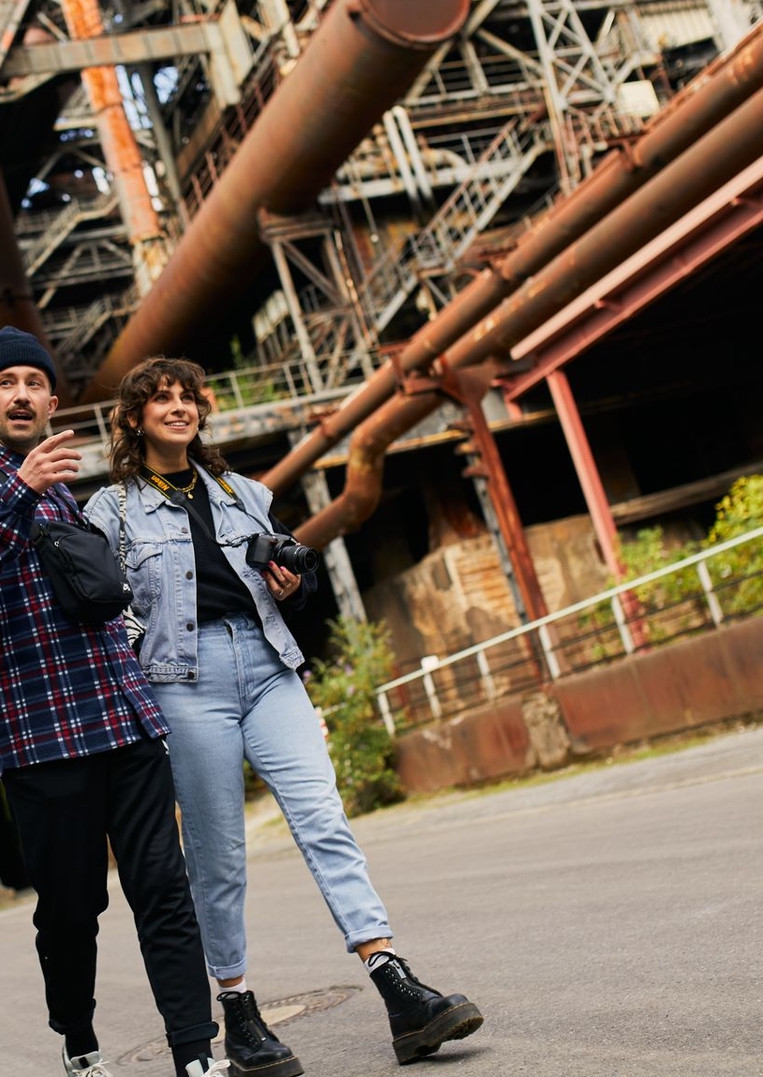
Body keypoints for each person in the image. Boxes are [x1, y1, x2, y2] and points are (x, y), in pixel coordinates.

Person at [84, 356, 484, 1070]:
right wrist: (141, 662)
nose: (179, 408)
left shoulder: (245, 494)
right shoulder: (109, 512)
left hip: (268, 665)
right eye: (161, 399)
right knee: (218, 855)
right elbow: (104, 613)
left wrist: (292, 587)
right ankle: (239, 1013)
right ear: (135, 419)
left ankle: (396, 985)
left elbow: (292, 589)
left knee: (324, 818)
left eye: (188, 397)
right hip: (185, 681)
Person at [0, 327, 225, 1077]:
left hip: (122, 719)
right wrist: (21, 492)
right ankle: (79, 1038)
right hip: (40, 738)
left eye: (35, 383)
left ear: (53, 403)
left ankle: (196, 1052)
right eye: (7, 383)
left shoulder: (71, 497)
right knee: (71, 908)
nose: (22, 394)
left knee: (163, 890)